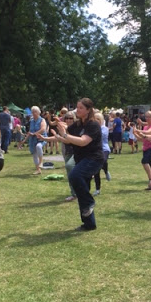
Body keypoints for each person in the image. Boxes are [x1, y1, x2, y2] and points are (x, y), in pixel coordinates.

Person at [55, 98, 104, 232]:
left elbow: (83, 141)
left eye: (81, 108)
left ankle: (90, 202)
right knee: (82, 190)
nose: (77, 110)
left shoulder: (93, 125)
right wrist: (60, 132)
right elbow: (68, 137)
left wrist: (65, 134)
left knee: (74, 176)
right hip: (81, 159)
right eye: (77, 107)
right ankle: (89, 224)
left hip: (94, 159)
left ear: (88, 110)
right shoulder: (76, 125)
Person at [38, 111, 77, 201]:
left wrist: (59, 136)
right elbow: (56, 137)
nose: (68, 120)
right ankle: (74, 194)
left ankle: (79, 192)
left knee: (70, 168)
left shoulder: (75, 128)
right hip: (67, 153)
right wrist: (44, 138)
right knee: (70, 174)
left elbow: (68, 140)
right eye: (66, 118)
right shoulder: (63, 128)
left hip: (76, 153)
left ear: (74, 119)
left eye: (70, 118)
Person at [133, 110, 151, 190]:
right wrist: (135, 133)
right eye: (146, 117)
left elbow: (148, 132)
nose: (146, 118)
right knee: (148, 166)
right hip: (146, 148)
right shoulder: (145, 126)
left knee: (144, 161)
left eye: (148, 117)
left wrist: (138, 131)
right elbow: (142, 139)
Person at [21, 106, 47, 175]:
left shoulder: (42, 120)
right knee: (34, 155)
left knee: (38, 146)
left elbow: (43, 129)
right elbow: (30, 131)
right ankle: (38, 170)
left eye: (35, 112)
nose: (34, 113)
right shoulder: (31, 121)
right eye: (32, 112)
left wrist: (35, 133)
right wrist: (24, 140)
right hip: (32, 140)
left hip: (41, 138)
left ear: (39, 112)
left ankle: (41, 162)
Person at [92, 112, 112, 196]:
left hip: (104, 149)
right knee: (96, 170)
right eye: (95, 119)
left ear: (101, 120)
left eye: (98, 119)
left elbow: (101, 136)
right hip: (95, 150)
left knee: (103, 160)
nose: (96, 121)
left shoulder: (105, 129)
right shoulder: (92, 128)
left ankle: (106, 171)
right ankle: (97, 189)